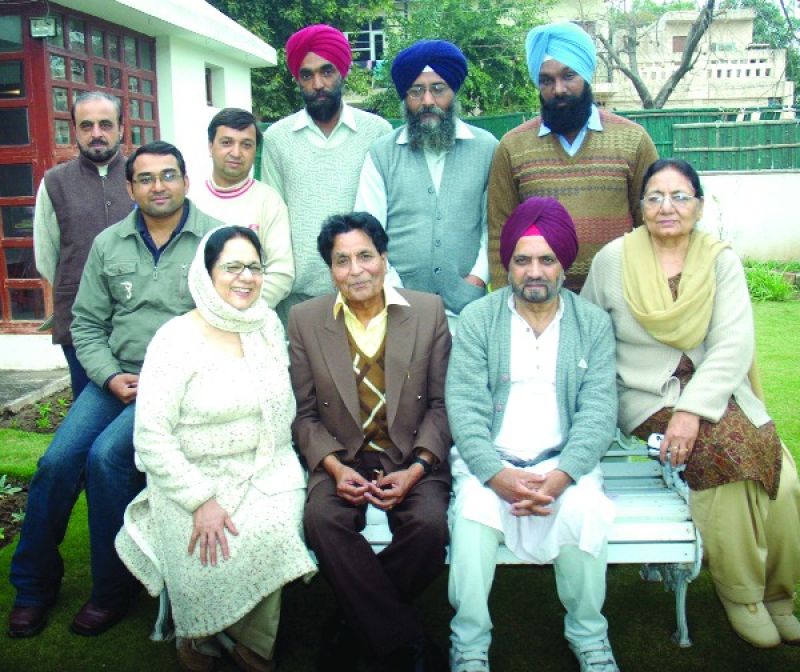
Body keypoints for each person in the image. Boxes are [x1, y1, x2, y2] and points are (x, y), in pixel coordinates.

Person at [582, 158, 800, 649]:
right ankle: (742, 593)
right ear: (639, 207)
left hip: (716, 391)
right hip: (644, 395)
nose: (667, 207)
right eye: (655, 196)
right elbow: (594, 338)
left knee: (781, 476)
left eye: (680, 196)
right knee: (725, 460)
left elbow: (733, 343)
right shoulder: (612, 261)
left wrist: (692, 410)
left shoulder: (720, 259)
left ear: (699, 206)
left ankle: (779, 594)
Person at [8, 142, 220, 639]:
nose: (158, 186)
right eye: (145, 178)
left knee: (106, 458)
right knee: (55, 463)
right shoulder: (109, 244)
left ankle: (112, 588)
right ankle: (34, 584)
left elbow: (223, 323)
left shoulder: (214, 240)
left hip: (176, 384)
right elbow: (84, 324)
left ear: (186, 181)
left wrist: (160, 380)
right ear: (130, 189)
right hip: (115, 377)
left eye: (168, 175)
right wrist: (107, 376)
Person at [116, 226, 316, 672]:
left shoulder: (266, 324)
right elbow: (151, 436)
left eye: (255, 267)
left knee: (274, 528)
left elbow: (281, 411)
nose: (245, 277)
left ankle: (251, 645)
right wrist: (200, 499)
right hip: (190, 474)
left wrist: (270, 471)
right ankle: (200, 630)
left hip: (266, 463)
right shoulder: (175, 339)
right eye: (232, 267)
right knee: (209, 539)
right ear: (207, 274)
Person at [446, 197, 619, 672]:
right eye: (522, 260)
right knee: (474, 516)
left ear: (565, 264)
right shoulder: (480, 320)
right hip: (493, 462)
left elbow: (599, 410)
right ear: (508, 266)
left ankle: (589, 635)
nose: (535, 271)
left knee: (584, 512)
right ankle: (469, 642)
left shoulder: (592, 324)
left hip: (565, 462)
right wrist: (494, 474)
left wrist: (564, 475)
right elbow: (464, 406)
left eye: (547, 259)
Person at [288, 212, 451, 670]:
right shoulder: (304, 320)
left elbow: (441, 404)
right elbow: (302, 414)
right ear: (330, 269)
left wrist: (417, 469)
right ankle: (407, 641)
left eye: (365, 256)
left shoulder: (427, 311)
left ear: (383, 258)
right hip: (342, 456)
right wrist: (337, 469)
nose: (356, 270)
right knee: (322, 521)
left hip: (411, 456)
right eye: (342, 261)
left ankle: (350, 625)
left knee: (430, 528)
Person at [487, 21, 658, 292]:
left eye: (569, 76)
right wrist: (503, 301)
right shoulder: (512, 147)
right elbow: (500, 233)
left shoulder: (633, 140)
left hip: (618, 296)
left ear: (587, 75)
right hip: (540, 302)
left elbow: (651, 223)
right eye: (546, 80)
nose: (558, 89)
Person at [355, 40, 497, 327]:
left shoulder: (487, 149)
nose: (428, 101)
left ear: (453, 92)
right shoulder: (382, 153)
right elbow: (368, 233)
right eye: (416, 91)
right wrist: (395, 291)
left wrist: (477, 278)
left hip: (468, 309)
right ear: (405, 98)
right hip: (397, 309)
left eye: (438, 89)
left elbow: (493, 226)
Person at [260, 24, 391, 324]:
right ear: (298, 80)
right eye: (307, 75)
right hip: (297, 299)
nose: (318, 83)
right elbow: (272, 218)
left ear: (342, 72)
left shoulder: (377, 132)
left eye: (326, 71)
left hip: (366, 292)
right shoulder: (278, 138)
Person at [33, 91, 133, 396]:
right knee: (86, 408)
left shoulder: (142, 177)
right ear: (75, 129)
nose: (97, 134)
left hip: (137, 319)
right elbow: (47, 256)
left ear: (121, 128)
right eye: (87, 126)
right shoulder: (54, 182)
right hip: (79, 320)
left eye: (105, 124)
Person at [190, 108, 294, 309]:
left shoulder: (269, 201)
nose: (236, 153)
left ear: (255, 150)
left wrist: (239, 312)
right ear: (210, 146)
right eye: (227, 142)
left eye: (246, 145)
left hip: (251, 317)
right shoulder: (190, 199)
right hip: (196, 316)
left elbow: (281, 273)